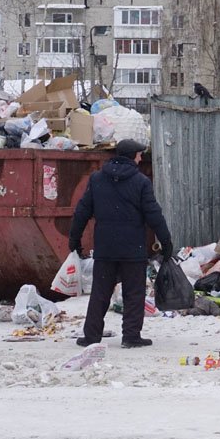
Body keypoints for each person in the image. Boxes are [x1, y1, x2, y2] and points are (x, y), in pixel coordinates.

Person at [69, 138, 173, 348]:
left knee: (100, 292)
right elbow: (154, 215)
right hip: (132, 249)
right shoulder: (140, 182)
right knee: (133, 293)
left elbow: (82, 211)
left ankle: (91, 336)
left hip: (105, 248)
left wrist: (74, 239)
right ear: (133, 156)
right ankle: (131, 336)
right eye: (139, 154)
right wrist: (166, 242)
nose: (141, 157)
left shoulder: (97, 179)